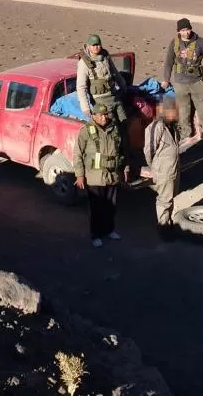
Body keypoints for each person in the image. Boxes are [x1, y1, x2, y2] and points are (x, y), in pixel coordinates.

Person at [73, 103, 128, 247]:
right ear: (94, 116)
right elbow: (77, 153)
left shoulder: (114, 128)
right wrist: (79, 175)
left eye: (106, 114)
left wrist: (124, 168)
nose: (104, 117)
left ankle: (109, 230)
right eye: (101, 115)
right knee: (96, 208)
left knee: (111, 206)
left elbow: (121, 150)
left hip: (112, 175)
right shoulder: (87, 130)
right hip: (94, 177)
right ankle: (95, 234)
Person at [160, 18, 203, 145]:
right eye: (183, 30)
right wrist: (166, 80)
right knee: (183, 111)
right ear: (179, 31)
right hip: (180, 83)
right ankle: (186, 136)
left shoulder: (200, 42)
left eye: (187, 29)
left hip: (197, 82)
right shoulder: (174, 43)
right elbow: (168, 62)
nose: (186, 32)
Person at [143, 96, 182, 235]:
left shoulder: (171, 126)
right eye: (172, 110)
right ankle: (163, 227)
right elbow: (149, 150)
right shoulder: (156, 127)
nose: (175, 113)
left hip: (173, 169)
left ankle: (168, 221)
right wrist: (155, 166)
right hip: (164, 170)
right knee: (164, 199)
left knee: (170, 197)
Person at [76, 34, 127, 124]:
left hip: (114, 95)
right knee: (112, 126)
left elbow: (114, 71)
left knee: (124, 121)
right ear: (88, 46)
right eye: (93, 45)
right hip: (100, 101)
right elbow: (81, 86)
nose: (96, 47)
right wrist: (85, 108)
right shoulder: (84, 63)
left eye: (98, 45)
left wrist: (123, 85)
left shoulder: (105, 56)